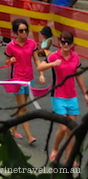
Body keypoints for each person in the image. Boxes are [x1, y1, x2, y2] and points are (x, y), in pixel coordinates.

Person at [37, 32, 88, 165]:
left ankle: (68, 158)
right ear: (59, 43)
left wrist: (85, 93)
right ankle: (55, 149)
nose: (65, 44)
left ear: (72, 44)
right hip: (58, 96)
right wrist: (52, 64)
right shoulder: (54, 56)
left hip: (72, 97)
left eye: (68, 42)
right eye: (63, 42)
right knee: (64, 128)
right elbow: (39, 67)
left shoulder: (75, 57)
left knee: (71, 130)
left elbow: (79, 76)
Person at [5, 18, 44, 145]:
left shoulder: (32, 44)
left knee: (21, 107)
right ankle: (29, 136)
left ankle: (13, 129)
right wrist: (11, 60)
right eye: (21, 31)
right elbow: (6, 61)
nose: (24, 33)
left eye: (26, 30)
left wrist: (41, 74)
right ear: (16, 32)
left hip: (29, 78)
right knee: (23, 109)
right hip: (16, 79)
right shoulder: (11, 46)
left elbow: (37, 60)